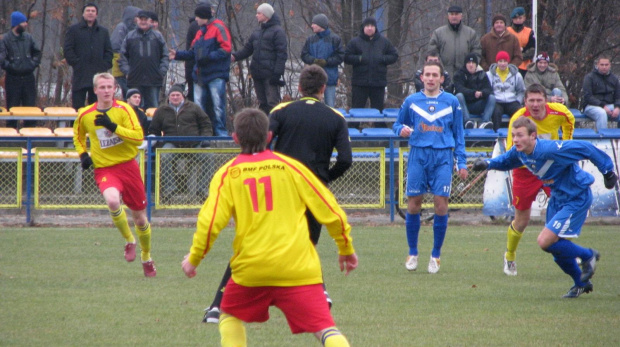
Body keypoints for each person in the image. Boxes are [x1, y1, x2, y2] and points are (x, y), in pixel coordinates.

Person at [181, 108, 358, 347]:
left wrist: (194, 258)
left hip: (251, 269)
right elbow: (331, 211)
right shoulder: (292, 168)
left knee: (228, 315)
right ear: (269, 136)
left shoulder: (227, 174)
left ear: (235, 138)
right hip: (298, 268)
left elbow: (210, 222)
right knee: (325, 329)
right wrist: (345, 248)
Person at [202, 65, 353, 324]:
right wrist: (324, 178)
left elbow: (262, 138)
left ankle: (218, 306)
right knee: (306, 245)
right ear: (323, 89)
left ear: (299, 87)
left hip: (280, 185)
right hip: (313, 189)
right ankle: (320, 294)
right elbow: (346, 159)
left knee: (252, 244)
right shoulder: (335, 117)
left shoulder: (282, 111)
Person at [473, 116, 617, 298]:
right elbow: (506, 161)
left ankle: (588, 255)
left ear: (533, 136)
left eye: (520, 135)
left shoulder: (549, 149)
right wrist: (487, 163)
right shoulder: (520, 152)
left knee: (544, 241)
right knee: (555, 249)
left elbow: (585, 148)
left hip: (575, 197)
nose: (515, 139)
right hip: (557, 198)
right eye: (513, 135)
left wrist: (607, 171)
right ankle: (580, 283)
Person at [73, 72, 155, 277]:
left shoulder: (124, 109)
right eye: (102, 87)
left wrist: (113, 127)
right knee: (112, 201)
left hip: (128, 167)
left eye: (110, 87)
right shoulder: (85, 114)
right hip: (105, 168)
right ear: (95, 90)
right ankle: (129, 240)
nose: (107, 91)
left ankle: (146, 256)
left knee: (141, 220)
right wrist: (83, 154)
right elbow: (78, 135)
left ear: (115, 88)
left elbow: (138, 138)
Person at [392, 61, 468, 274]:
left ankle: (435, 255)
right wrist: (401, 130)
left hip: (443, 156)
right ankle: (413, 252)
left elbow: (459, 135)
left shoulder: (452, 102)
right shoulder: (412, 101)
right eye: (428, 74)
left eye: (436, 75)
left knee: (440, 204)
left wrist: (461, 162)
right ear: (422, 77)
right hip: (418, 155)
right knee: (414, 203)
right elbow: (397, 124)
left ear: (442, 78)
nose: (431, 78)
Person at [500, 83, 575, 276]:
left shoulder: (559, 112)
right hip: (526, 171)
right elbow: (511, 150)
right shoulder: (518, 119)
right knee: (522, 220)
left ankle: (570, 253)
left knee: (563, 211)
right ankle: (509, 256)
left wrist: (564, 146)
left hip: (551, 169)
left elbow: (570, 120)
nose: (535, 104)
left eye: (538, 100)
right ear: (525, 102)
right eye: (531, 100)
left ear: (546, 100)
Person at [170, 3, 232, 136]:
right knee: (198, 107)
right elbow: (192, 52)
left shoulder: (218, 27)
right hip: (200, 75)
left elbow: (226, 49)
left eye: (197, 17)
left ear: (203, 16)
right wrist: (177, 54)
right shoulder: (200, 32)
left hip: (216, 74)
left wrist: (208, 57)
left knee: (218, 106)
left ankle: (221, 135)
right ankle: (202, 134)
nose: (195, 19)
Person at [147, 84, 213, 201]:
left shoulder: (194, 107)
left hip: (194, 143)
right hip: (172, 143)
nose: (175, 97)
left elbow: (206, 124)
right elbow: (154, 129)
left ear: (183, 96)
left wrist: (205, 138)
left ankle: (203, 190)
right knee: (164, 156)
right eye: (173, 95)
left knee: (209, 156)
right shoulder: (161, 110)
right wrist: (158, 144)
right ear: (169, 97)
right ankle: (169, 191)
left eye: (178, 95)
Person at [231, 3, 287, 115]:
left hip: (270, 75)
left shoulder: (278, 32)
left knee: (273, 105)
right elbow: (247, 50)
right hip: (257, 74)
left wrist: (277, 74)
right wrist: (234, 56)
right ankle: (263, 130)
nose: (256, 15)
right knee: (262, 104)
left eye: (259, 13)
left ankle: (274, 130)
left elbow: (282, 55)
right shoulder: (257, 32)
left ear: (266, 15)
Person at [64, 3, 113, 111]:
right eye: (88, 11)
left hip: (98, 76)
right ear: (83, 13)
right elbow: (68, 50)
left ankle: (96, 128)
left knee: (97, 108)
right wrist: (77, 63)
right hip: (80, 75)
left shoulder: (103, 32)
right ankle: (75, 127)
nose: (90, 13)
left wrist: (104, 65)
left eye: (93, 11)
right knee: (77, 108)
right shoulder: (74, 30)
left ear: (96, 14)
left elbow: (109, 52)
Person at [344, 17, 398, 112]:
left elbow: (394, 55)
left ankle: (379, 127)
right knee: (356, 111)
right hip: (359, 83)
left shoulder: (384, 42)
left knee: (378, 113)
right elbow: (346, 57)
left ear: (376, 28)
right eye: (367, 26)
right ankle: (354, 127)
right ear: (363, 27)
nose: (370, 28)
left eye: (372, 26)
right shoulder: (355, 42)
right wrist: (359, 58)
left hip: (378, 83)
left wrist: (382, 59)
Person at [119, 10, 169, 109]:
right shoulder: (130, 36)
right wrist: (128, 72)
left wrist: (161, 72)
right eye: (141, 19)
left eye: (145, 19)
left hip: (153, 80)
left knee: (153, 109)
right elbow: (123, 56)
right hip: (135, 80)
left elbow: (165, 55)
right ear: (137, 20)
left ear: (151, 21)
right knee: (134, 109)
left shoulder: (158, 37)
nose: (143, 22)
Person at [0, 11, 41, 128]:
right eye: (23, 22)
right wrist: (12, 67)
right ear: (17, 24)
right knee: (12, 109)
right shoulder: (5, 39)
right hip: (12, 79)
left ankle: (30, 136)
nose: (26, 24)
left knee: (30, 110)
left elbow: (37, 53)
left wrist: (32, 64)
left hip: (28, 78)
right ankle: (11, 139)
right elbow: (2, 59)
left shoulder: (29, 38)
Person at [300, 14, 345, 107]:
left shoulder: (335, 39)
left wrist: (326, 62)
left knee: (330, 106)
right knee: (312, 107)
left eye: (314, 24)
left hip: (330, 78)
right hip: (313, 79)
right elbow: (304, 55)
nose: (312, 26)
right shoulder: (310, 39)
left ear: (321, 25)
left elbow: (340, 56)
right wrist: (314, 61)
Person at [428, 5, 482, 77]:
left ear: (461, 16)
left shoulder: (471, 33)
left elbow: (476, 53)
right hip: (443, 76)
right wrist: (441, 70)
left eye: (456, 14)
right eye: (452, 14)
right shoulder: (438, 33)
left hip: (465, 77)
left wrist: (469, 69)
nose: (454, 16)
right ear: (448, 16)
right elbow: (432, 53)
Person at [453, 53, 495, 129]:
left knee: (492, 97)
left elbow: (489, 89)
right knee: (459, 96)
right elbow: (459, 89)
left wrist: (482, 93)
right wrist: (473, 93)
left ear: (476, 65)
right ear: (465, 64)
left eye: (473, 63)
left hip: (478, 104)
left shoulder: (482, 74)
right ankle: (467, 122)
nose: (471, 65)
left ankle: (484, 122)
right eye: (469, 63)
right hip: (464, 104)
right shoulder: (459, 74)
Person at [487, 51, 525, 130]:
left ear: (508, 62)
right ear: (497, 62)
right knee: (496, 113)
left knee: (519, 112)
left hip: (512, 101)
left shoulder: (517, 75)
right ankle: (496, 136)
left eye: (505, 61)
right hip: (497, 101)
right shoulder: (489, 74)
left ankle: (517, 134)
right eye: (500, 61)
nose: (503, 63)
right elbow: (488, 90)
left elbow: (521, 91)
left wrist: (518, 101)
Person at [581, 55, 620, 131]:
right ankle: (603, 138)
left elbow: (618, 96)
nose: (604, 67)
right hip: (592, 106)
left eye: (606, 65)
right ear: (597, 65)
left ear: (610, 65)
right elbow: (588, 96)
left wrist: (617, 107)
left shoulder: (614, 79)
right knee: (601, 113)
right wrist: (603, 106)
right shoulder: (589, 77)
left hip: (610, 106)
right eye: (602, 65)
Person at [110, 6, 141, 99]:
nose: (138, 19)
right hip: (120, 66)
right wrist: (123, 61)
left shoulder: (135, 29)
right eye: (137, 16)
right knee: (129, 93)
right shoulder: (122, 27)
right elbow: (116, 46)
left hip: (130, 66)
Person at [506, 7, 535, 77]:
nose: (518, 20)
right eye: (516, 18)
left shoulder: (529, 32)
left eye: (520, 18)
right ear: (512, 19)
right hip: (509, 65)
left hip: (525, 67)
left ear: (524, 18)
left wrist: (518, 58)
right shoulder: (506, 31)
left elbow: (531, 51)